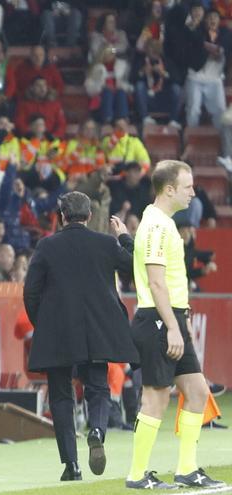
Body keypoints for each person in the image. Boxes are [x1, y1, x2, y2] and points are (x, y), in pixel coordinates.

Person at [23, 192, 140, 481]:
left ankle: (71, 465)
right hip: (97, 330)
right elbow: (136, 267)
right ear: (89, 216)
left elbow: (31, 291)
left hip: (58, 330)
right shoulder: (106, 243)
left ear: (62, 216)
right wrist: (125, 238)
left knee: (61, 396)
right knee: (98, 387)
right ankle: (97, 430)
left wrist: (43, 324)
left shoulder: (46, 246)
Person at [125, 160, 225, 489]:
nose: (193, 193)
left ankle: (187, 470)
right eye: (188, 186)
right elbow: (156, 283)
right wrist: (171, 326)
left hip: (170, 318)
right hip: (157, 320)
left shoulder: (163, 223)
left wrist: (180, 320)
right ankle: (137, 475)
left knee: (197, 392)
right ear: (169, 190)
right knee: (155, 398)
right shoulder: (156, 225)